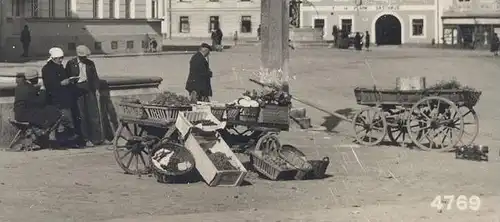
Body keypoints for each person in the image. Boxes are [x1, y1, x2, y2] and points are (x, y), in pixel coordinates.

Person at [13, 69, 67, 150]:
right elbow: (40, 102)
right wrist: (42, 90)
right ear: (34, 79)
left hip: (18, 114)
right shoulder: (30, 89)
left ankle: (42, 134)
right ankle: (44, 134)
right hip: (25, 115)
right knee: (53, 112)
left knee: (47, 111)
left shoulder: (19, 87)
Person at [65, 45, 103, 147]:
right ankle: (85, 139)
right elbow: (67, 77)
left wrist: (97, 89)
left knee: (93, 114)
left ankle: (97, 138)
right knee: (81, 115)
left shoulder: (90, 63)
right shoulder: (71, 63)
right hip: (77, 89)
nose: (84, 59)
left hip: (89, 88)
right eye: (82, 57)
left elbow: (95, 77)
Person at [41, 47, 79, 147]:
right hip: (56, 99)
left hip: (63, 98)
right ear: (53, 58)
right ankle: (63, 141)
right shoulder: (47, 69)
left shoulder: (59, 66)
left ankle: (62, 141)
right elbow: (49, 85)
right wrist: (61, 83)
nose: (61, 60)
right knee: (64, 120)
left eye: (62, 58)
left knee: (62, 121)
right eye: (59, 58)